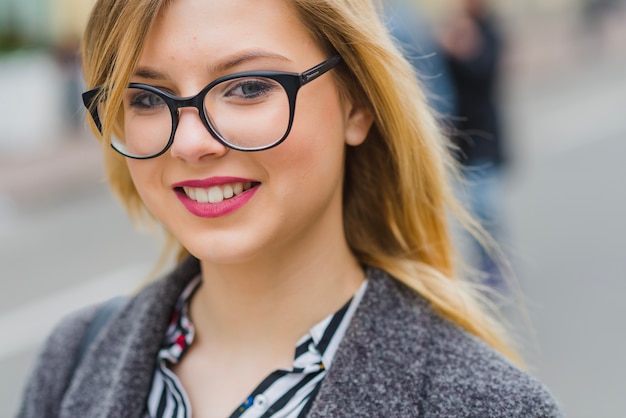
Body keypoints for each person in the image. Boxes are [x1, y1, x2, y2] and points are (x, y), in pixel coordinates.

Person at [17, 0, 562, 417]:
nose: (189, 142)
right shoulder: (74, 357)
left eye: (249, 86)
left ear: (358, 103)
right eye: (146, 98)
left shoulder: (485, 404)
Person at [439, 0, 509, 289]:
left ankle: (495, 262)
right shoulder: (457, 27)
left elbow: (484, 73)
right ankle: (486, 262)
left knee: (484, 206)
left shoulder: (489, 31)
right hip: (460, 136)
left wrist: (462, 50)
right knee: (471, 209)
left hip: (483, 134)